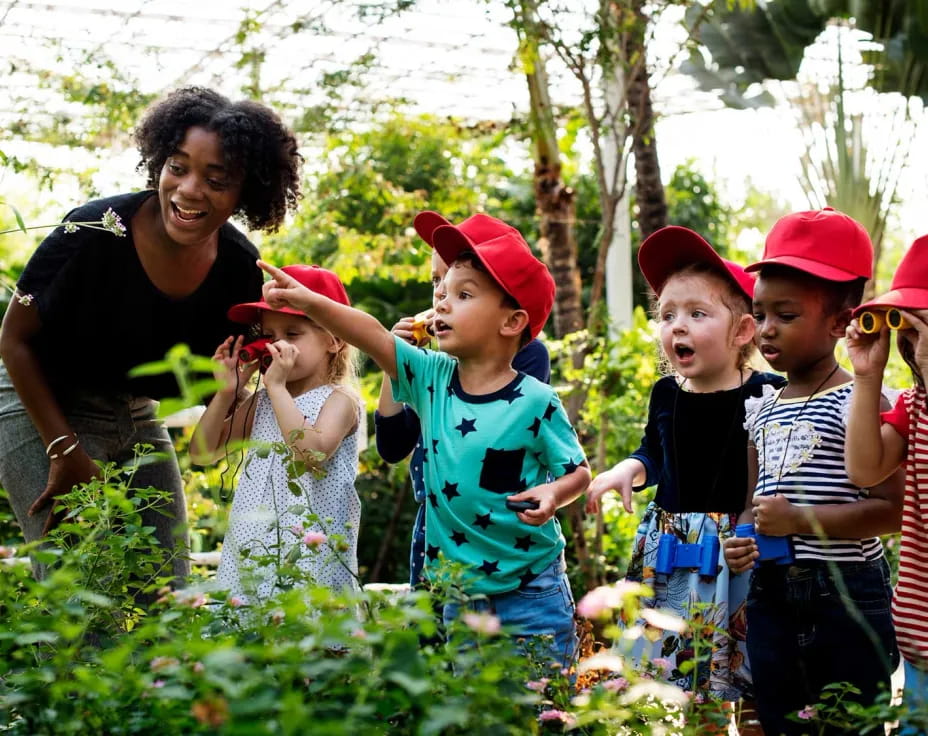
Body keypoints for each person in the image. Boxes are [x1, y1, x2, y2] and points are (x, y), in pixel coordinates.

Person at [255, 213, 590, 669]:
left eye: (463, 294)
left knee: (539, 708)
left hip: (531, 588)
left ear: (511, 321)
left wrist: (554, 492)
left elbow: (578, 472)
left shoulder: (537, 398)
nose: (442, 303)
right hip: (458, 592)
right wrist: (310, 303)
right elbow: (369, 333)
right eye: (443, 290)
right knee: (472, 707)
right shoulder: (430, 375)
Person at [0, 86, 302, 585]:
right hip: (40, 405)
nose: (188, 189)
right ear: (159, 161)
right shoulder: (94, 229)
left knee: (167, 587)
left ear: (246, 191)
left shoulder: (239, 267)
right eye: (178, 167)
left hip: (136, 413)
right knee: (76, 586)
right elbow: (13, 339)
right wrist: (63, 449)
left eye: (216, 178)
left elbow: (226, 390)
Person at [585, 226, 781, 732]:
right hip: (674, 552)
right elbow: (655, 452)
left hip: (742, 553)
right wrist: (627, 469)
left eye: (697, 314)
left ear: (742, 331)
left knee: (756, 679)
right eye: (667, 315)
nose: (678, 327)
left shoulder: (767, 392)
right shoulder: (666, 393)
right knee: (698, 685)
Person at [723, 208, 902, 736]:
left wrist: (799, 519)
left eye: (787, 315)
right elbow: (753, 500)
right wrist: (741, 537)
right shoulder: (763, 406)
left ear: (840, 323)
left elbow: (890, 511)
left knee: (850, 724)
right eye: (761, 313)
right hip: (770, 595)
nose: (767, 329)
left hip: (843, 597)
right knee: (781, 721)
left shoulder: (861, 402)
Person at [374, 211, 550, 588]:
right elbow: (391, 446)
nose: (440, 294)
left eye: (460, 289)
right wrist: (396, 361)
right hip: (437, 523)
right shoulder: (430, 365)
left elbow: (502, 439)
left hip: (498, 531)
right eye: (437, 281)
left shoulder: (529, 356)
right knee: (435, 638)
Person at [190, 265, 360, 603]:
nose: (276, 345)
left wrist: (277, 387)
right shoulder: (265, 399)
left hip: (310, 557)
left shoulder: (340, 400)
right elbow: (202, 452)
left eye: (292, 334)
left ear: (335, 340)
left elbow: (310, 455)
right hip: (253, 550)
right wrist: (225, 392)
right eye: (269, 335)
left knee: (310, 644)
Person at [844, 234, 928, 734]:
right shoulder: (914, 409)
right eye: (911, 334)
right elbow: (864, 469)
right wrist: (867, 377)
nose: (917, 348)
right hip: (920, 647)